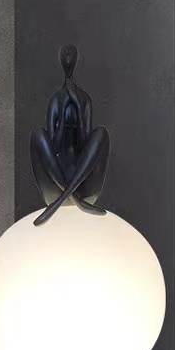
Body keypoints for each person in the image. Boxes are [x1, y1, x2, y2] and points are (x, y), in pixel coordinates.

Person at [30, 44, 111, 226]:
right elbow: (54, 147)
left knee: (101, 133)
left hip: (84, 184)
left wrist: (78, 108)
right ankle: (71, 198)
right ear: (60, 59)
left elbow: (84, 144)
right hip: (55, 183)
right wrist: (63, 111)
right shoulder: (54, 100)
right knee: (37, 134)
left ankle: (69, 197)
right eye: (64, 52)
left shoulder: (85, 99)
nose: (67, 53)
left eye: (71, 51)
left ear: (76, 58)